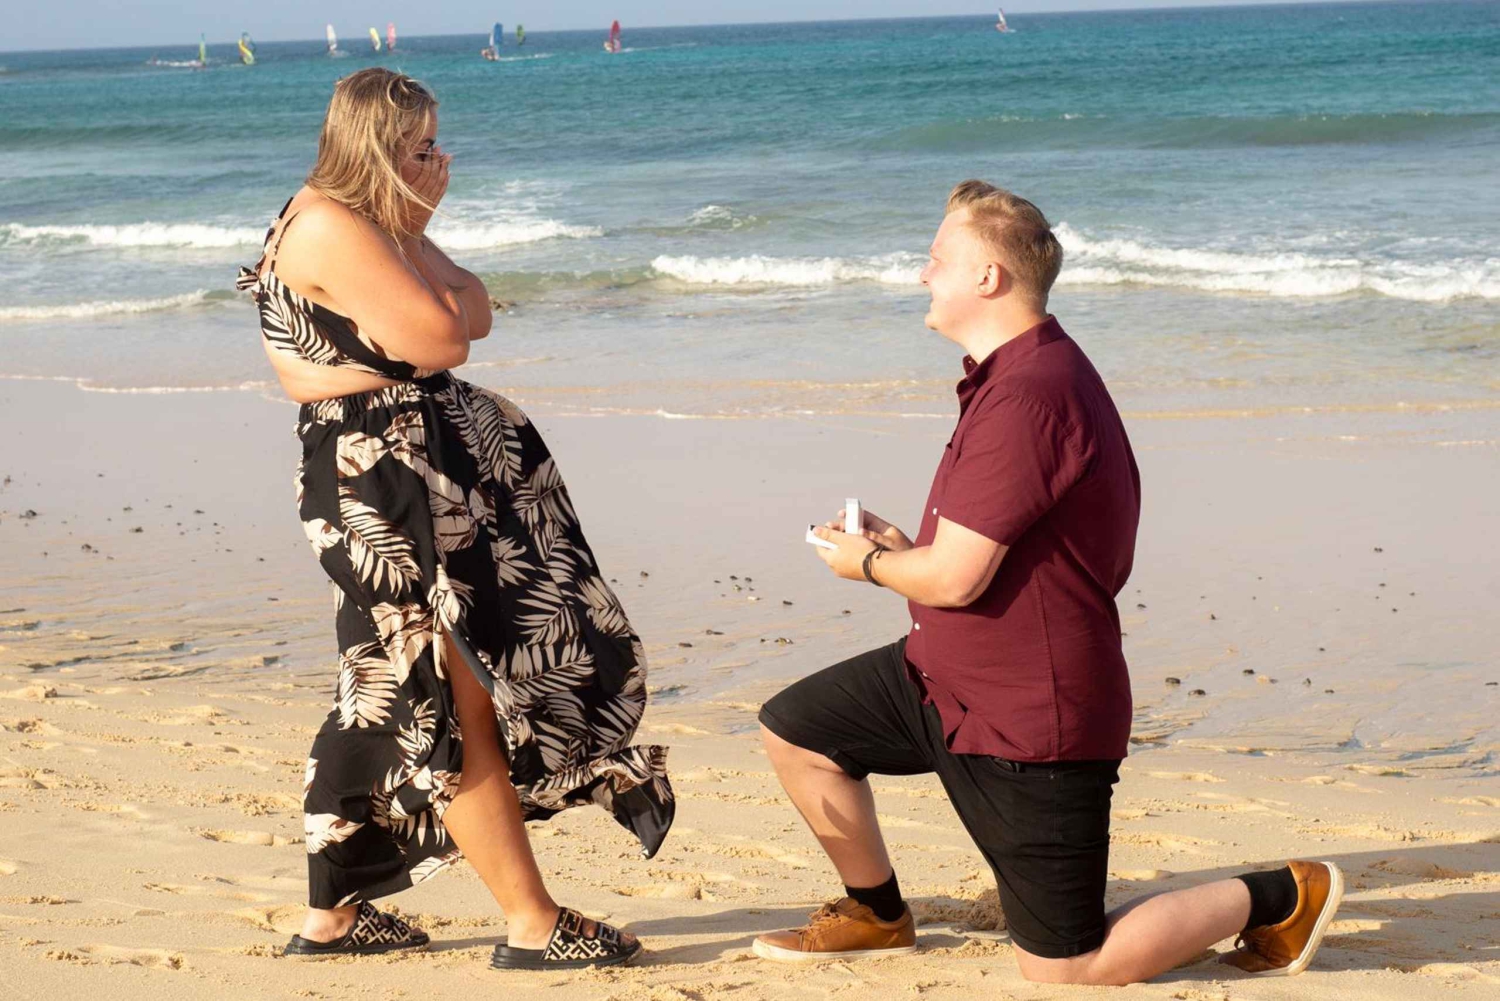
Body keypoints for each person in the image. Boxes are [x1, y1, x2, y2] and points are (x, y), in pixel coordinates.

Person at [751, 180, 1343, 984]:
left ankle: (1283, 894)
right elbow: (985, 557)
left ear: (987, 276)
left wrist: (870, 564)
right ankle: (877, 913)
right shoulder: (1016, 375)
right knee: (798, 730)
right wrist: (905, 550)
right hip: (945, 679)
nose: (922, 273)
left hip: (1031, 718)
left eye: (936, 258)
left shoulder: (1029, 394)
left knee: (1068, 967)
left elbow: (956, 579)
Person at [235, 67, 671, 970]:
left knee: (382, 683)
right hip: (386, 480)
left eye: (434, 142)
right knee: (448, 687)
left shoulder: (370, 224)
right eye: (419, 146)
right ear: (375, 147)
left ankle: (331, 916)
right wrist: (419, 247)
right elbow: (444, 335)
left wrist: (418, 243)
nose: (437, 160)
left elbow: (475, 310)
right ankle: (532, 922)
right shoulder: (334, 224)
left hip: (414, 469)